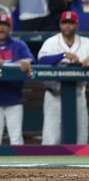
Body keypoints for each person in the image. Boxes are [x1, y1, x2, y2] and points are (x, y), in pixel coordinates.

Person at [38, 11, 89, 145]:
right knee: (51, 140)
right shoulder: (51, 42)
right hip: (55, 96)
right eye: (64, 22)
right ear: (60, 24)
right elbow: (42, 61)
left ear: (77, 25)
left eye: (71, 23)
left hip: (78, 95)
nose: (67, 26)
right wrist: (63, 55)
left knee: (81, 140)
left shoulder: (86, 43)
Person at [0, 14, 34, 146]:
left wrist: (26, 61)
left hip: (14, 98)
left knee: (16, 139)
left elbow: (30, 58)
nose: (2, 28)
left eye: (5, 25)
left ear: (10, 28)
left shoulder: (18, 44)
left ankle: (18, 161)